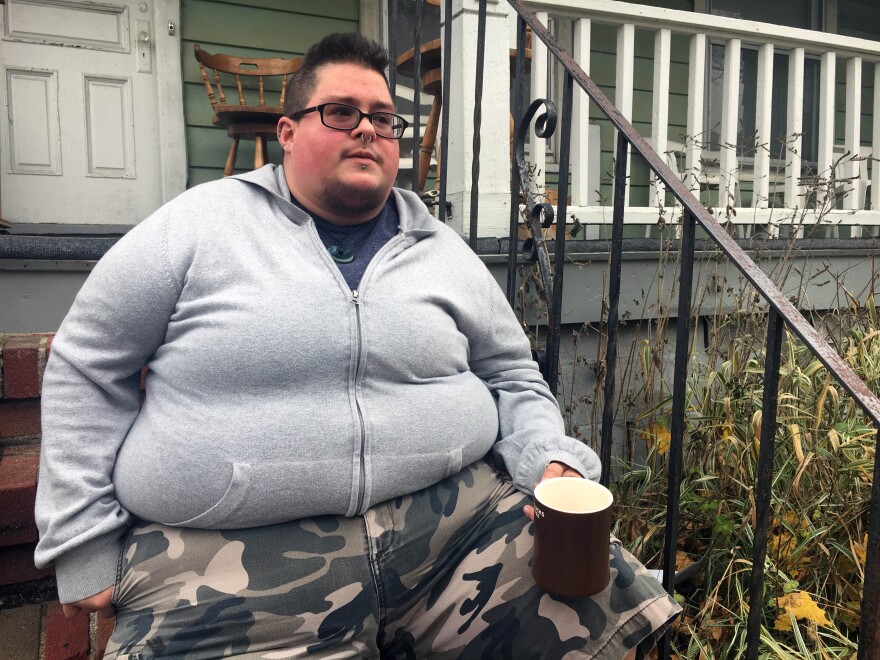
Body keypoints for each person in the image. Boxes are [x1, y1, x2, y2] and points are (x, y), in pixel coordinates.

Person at [34, 32, 680, 658]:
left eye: (383, 118)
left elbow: (511, 372)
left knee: (605, 610)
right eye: (341, 112)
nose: (367, 129)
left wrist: (544, 454)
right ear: (287, 133)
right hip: (229, 561)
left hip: (457, 534)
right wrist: (80, 538)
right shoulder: (196, 226)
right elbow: (87, 364)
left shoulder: (442, 248)